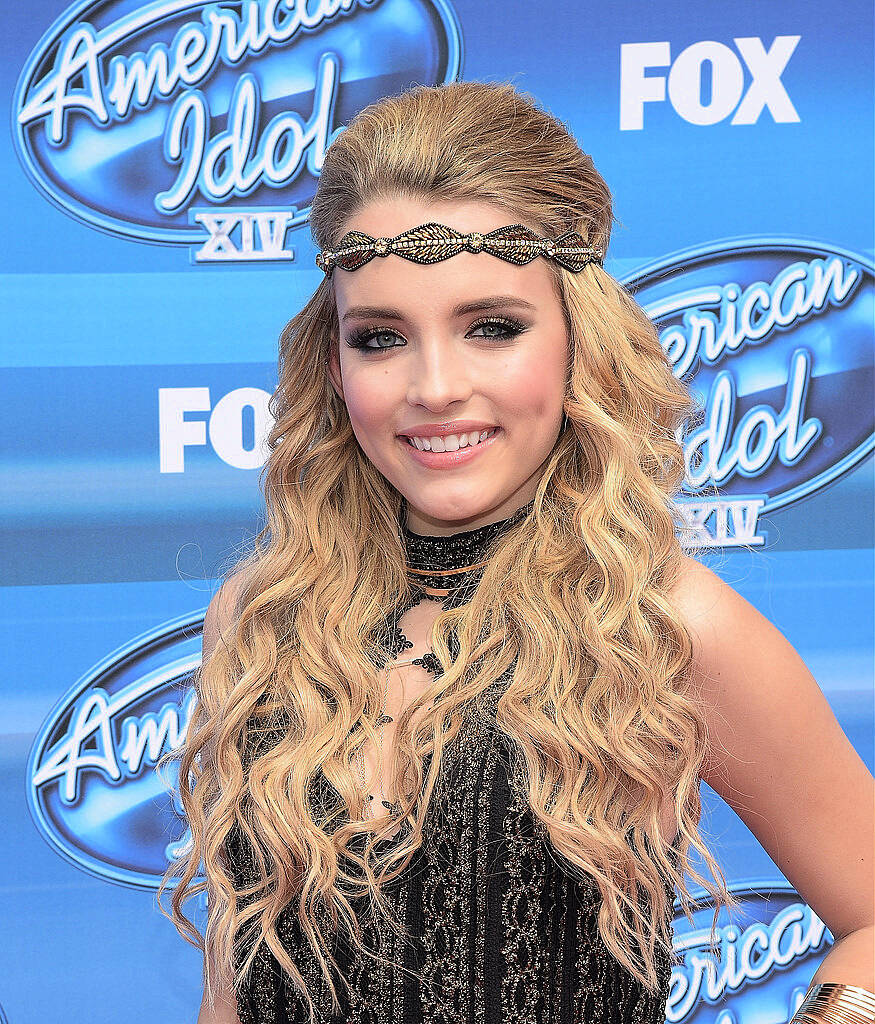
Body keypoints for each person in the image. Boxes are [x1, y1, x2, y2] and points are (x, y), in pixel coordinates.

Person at [158, 81, 875, 1024]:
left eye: (491, 327)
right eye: (380, 339)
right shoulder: (261, 615)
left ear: (581, 341)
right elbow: (237, 980)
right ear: (332, 368)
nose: (435, 386)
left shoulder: (664, 626)